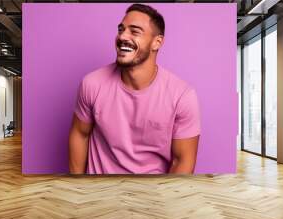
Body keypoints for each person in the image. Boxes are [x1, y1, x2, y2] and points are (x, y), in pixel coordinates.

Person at [68, 3, 200, 174]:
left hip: (153, 195)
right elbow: (80, 134)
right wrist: (78, 187)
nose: (123, 36)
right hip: (100, 193)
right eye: (121, 29)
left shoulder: (182, 96)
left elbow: (182, 160)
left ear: (156, 43)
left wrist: (165, 200)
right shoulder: (92, 84)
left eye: (134, 31)